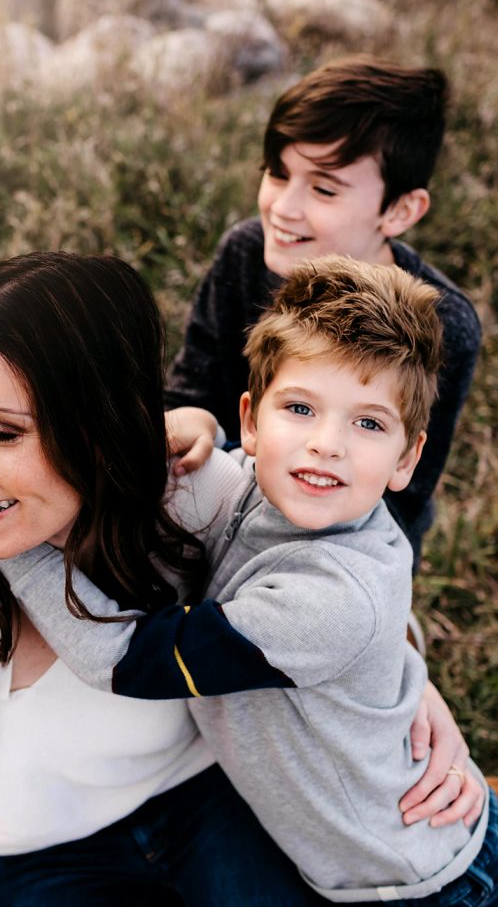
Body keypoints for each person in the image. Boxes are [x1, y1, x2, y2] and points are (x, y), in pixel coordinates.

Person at [0, 252, 481, 906]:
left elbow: (323, 577)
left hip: (205, 798)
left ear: (97, 424)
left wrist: (409, 681)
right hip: (47, 853)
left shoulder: (196, 499)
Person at [10, 258, 498, 904]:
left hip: (423, 882)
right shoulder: (259, 489)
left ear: (408, 457)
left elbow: (128, 659)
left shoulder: (334, 597)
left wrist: (15, 546)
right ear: (252, 420)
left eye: (368, 422)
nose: (326, 444)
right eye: (301, 408)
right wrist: (198, 424)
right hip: (370, 850)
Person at [164, 54, 482, 571]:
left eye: (323, 188)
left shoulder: (445, 324)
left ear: (400, 211)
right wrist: (194, 420)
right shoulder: (246, 251)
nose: (283, 207)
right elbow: (191, 394)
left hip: (347, 543)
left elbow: (402, 493)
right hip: (231, 487)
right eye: (277, 172)